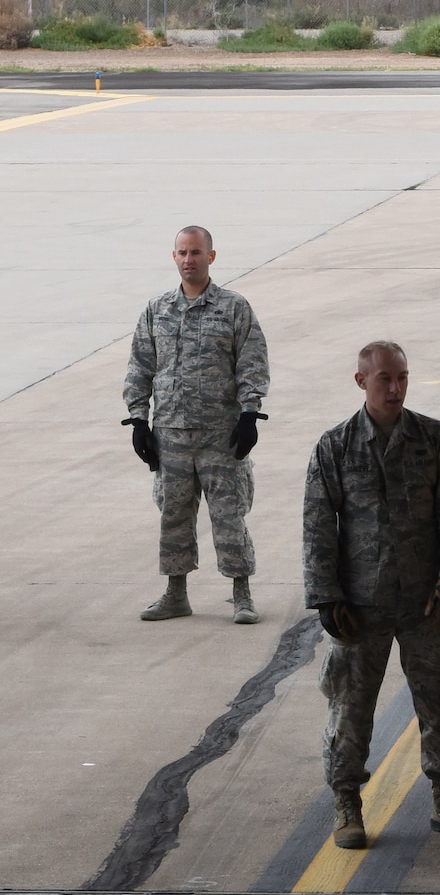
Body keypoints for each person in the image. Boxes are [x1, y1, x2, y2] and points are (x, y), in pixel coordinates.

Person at [302, 341, 440, 852]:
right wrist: (325, 596)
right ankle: (346, 802)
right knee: (350, 704)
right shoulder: (334, 447)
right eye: (385, 379)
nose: (396, 388)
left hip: (426, 602)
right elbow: (318, 525)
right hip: (361, 604)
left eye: (402, 377)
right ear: (361, 382)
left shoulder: (432, 438)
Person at [123, 225, 270, 625]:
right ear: (174, 257)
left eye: (196, 252)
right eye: (182, 253)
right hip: (170, 435)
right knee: (173, 515)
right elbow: (140, 366)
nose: (189, 259)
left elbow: (252, 362)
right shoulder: (157, 310)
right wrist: (139, 420)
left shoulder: (234, 308)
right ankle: (176, 593)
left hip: (220, 436)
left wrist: (249, 414)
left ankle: (242, 594)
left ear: (211, 256)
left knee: (229, 514)